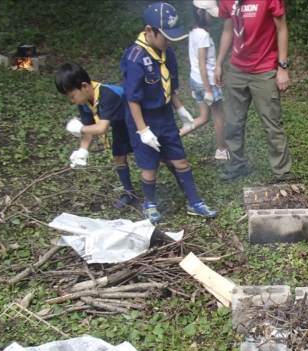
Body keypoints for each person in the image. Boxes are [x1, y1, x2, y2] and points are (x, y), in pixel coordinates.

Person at [120, 1, 217, 222]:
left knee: (180, 160)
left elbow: (170, 87)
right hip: (142, 119)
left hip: (165, 116)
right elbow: (132, 99)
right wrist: (143, 130)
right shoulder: (134, 58)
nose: (168, 41)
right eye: (165, 36)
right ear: (149, 31)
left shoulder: (168, 54)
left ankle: (195, 202)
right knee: (150, 166)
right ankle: (150, 203)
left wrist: (180, 108)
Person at [214, 0, 293, 182]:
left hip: (265, 69)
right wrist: (219, 63)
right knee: (233, 122)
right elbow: (228, 30)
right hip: (237, 69)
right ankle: (236, 165)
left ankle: (282, 173)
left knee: (272, 124)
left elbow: (281, 29)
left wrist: (282, 67)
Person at [55, 63, 137, 208]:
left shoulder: (107, 94)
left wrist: (80, 128)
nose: (72, 100)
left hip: (138, 121)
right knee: (119, 156)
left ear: (85, 86)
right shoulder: (84, 101)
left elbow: (101, 128)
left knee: (158, 155)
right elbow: (88, 129)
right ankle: (129, 193)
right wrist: (83, 151)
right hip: (119, 123)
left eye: (72, 95)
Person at [180, 0, 227, 161]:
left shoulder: (193, 31)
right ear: (200, 12)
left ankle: (172, 139)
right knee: (219, 115)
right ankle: (221, 150)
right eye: (210, 14)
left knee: (204, 117)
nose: (212, 18)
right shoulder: (203, 35)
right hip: (206, 82)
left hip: (196, 80)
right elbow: (202, 63)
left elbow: (194, 60)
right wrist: (208, 90)